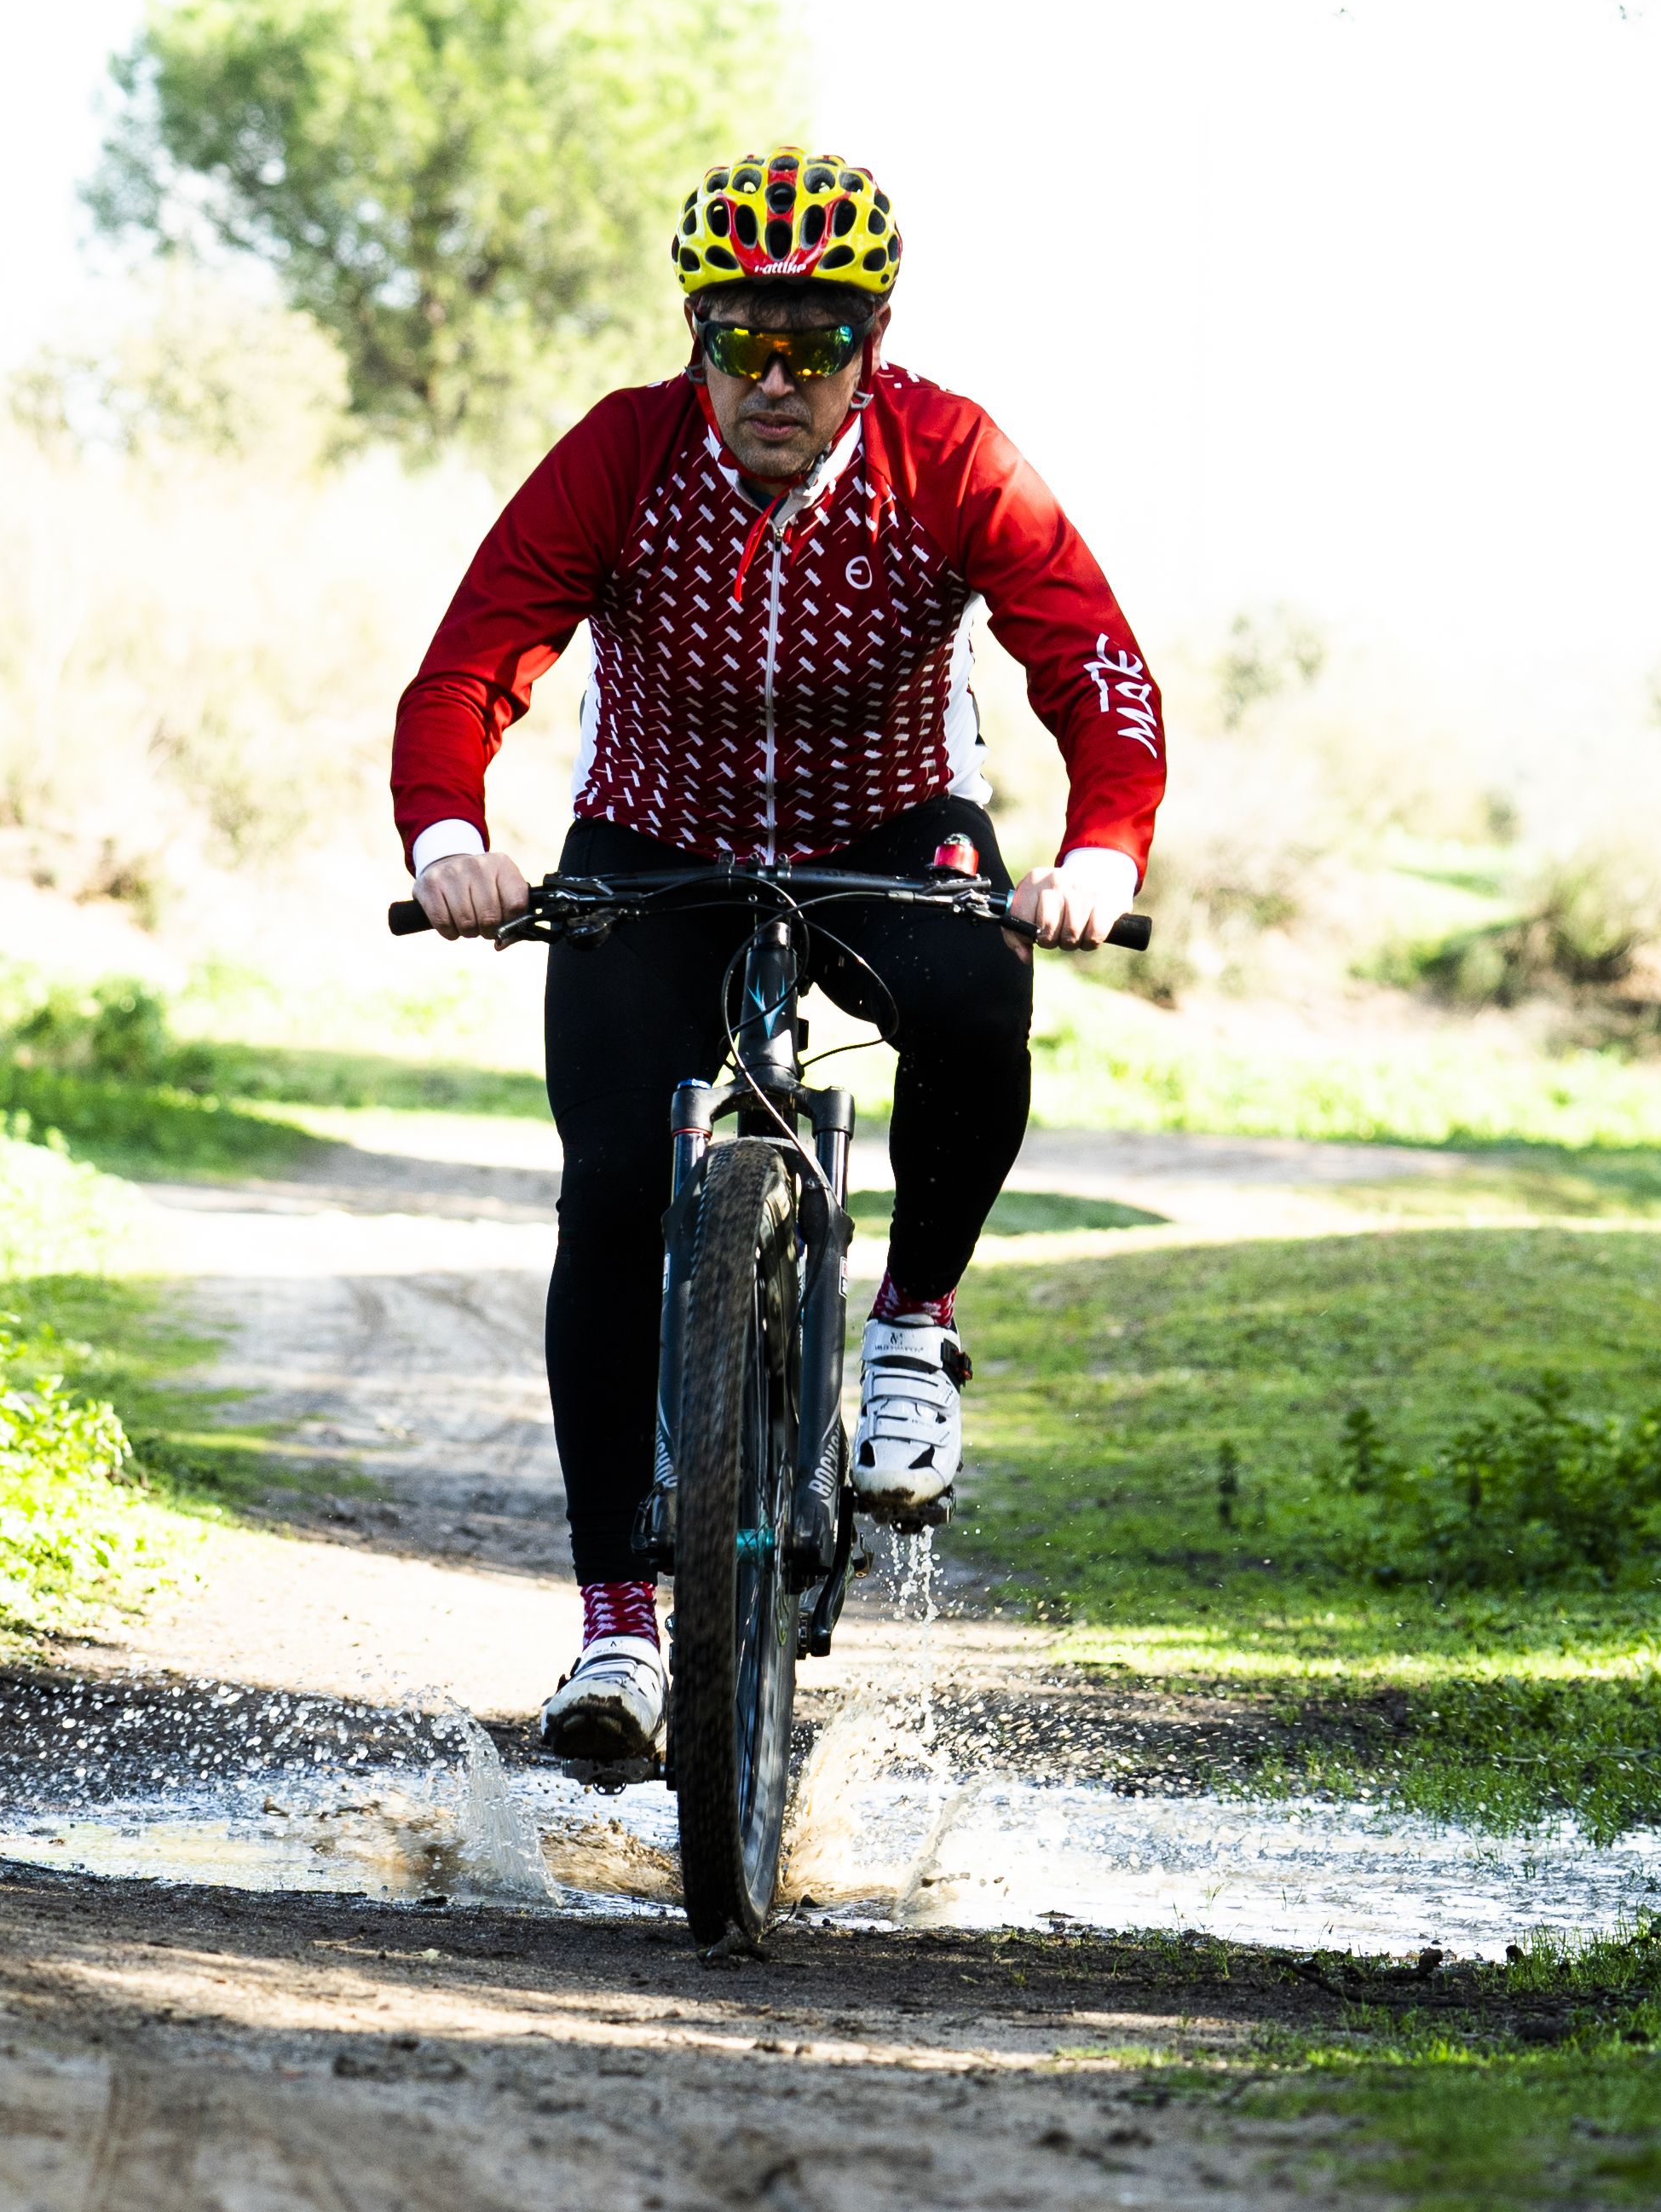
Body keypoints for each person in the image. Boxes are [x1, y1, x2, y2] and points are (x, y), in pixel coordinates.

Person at [391, 146, 1166, 1770]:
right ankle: (615, 1626)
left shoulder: (949, 454)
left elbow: (1096, 662)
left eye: (816, 344)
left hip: (887, 831)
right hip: (652, 841)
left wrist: (1101, 847)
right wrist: (450, 841)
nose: (774, 378)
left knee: (974, 996)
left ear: (870, 346)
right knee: (610, 1193)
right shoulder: (620, 454)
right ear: (696, 335)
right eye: (740, 338)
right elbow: (469, 664)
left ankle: (909, 1324)